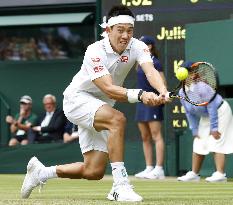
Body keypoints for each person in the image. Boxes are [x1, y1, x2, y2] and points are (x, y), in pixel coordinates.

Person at [21, 5, 169, 202]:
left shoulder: (138, 46)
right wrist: (141, 95)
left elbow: (150, 71)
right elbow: (108, 88)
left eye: (130, 30)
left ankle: (40, 173)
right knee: (117, 120)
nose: (125, 35)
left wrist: (163, 91)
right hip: (77, 100)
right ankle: (120, 186)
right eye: (120, 30)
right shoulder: (94, 51)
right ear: (108, 30)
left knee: (94, 170)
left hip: (101, 107)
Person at [177, 61, 233, 182]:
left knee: (216, 139)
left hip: (220, 111)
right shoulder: (181, 92)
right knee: (198, 142)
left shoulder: (202, 87)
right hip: (206, 115)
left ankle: (220, 174)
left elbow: (212, 107)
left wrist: (214, 128)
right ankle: (194, 174)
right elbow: (189, 112)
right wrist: (195, 129)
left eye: (188, 71)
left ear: (193, 74)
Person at [134, 36, 166, 180]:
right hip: (142, 101)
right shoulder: (140, 62)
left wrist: (162, 95)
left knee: (156, 135)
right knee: (145, 137)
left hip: (154, 102)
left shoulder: (156, 63)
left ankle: (159, 169)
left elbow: (162, 82)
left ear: (150, 46)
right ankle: (149, 167)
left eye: (143, 44)